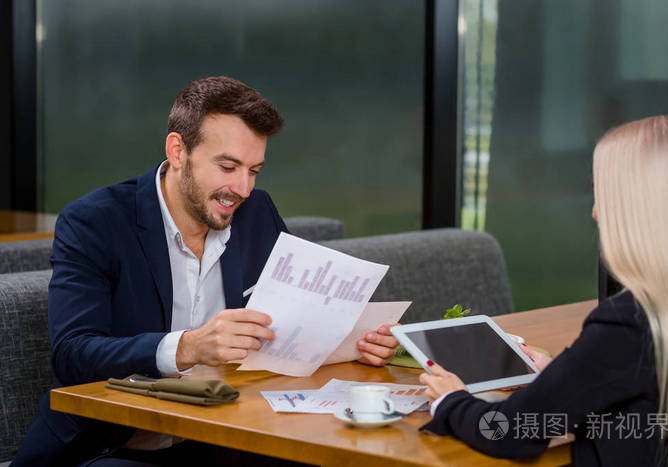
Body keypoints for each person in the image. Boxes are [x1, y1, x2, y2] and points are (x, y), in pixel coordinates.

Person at [14, 76, 399, 465]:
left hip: (224, 436)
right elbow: (73, 353)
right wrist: (187, 347)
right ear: (178, 150)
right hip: (109, 447)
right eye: (228, 166)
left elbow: (291, 322)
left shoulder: (257, 214)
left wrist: (352, 342)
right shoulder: (95, 222)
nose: (243, 188)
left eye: (254, 170)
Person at [420, 115, 668, 467]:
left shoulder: (627, 321)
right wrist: (567, 376)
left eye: (604, 195)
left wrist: (451, 401)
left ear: (637, 210)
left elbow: (510, 430)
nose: (596, 213)